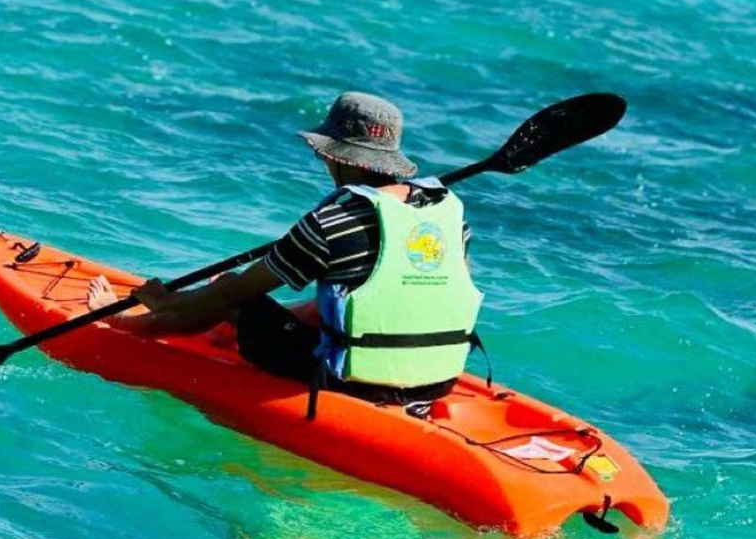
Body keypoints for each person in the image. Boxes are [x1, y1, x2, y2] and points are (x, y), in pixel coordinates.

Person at [86, 91, 481, 415]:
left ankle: (134, 326)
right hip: (437, 381)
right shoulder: (447, 215)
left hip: (350, 383)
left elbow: (234, 293)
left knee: (230, 292)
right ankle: (199, 321)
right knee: (338, 296)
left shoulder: (332, 223)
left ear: (334, 155)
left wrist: (161, 306)